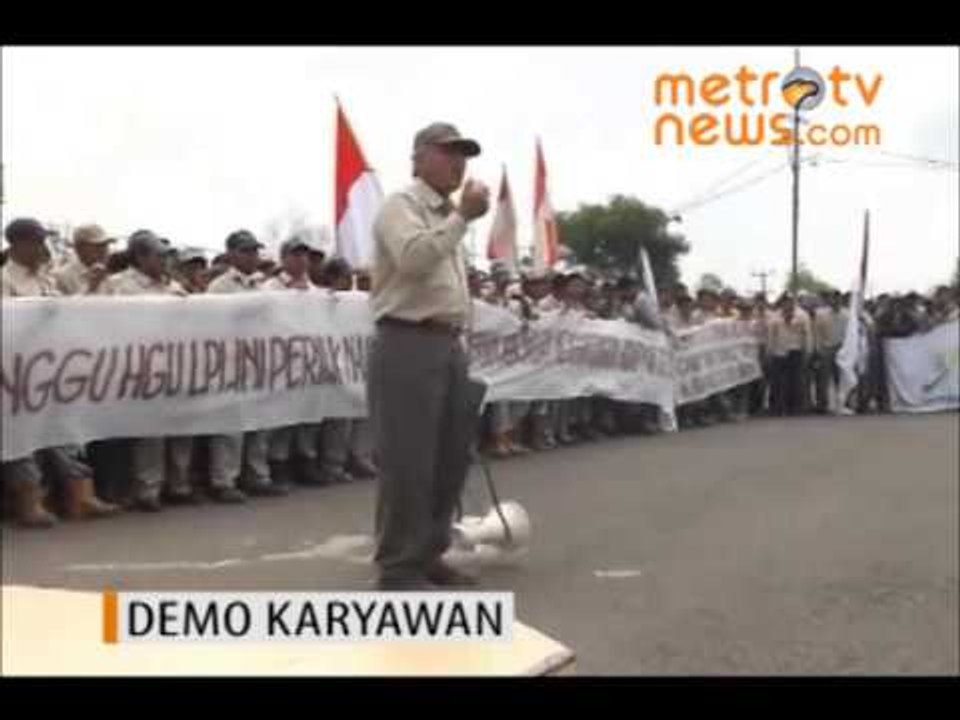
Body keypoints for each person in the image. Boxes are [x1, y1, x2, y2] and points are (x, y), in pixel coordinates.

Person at [368, 121, 489, 590]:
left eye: (464, 154)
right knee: (409, 461)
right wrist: (461, 219)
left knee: (447, 460)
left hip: (445, 344)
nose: (458, 162)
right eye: (447, 151)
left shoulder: (446, 215)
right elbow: (415, 260)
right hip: (407, 342)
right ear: (418, 157)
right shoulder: (404, 205)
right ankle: (398, 567)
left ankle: (428, 553)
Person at [1, 218, 120, 526]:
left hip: (51, 367)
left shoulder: (45, 279)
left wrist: (89, 289)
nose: (43, 248)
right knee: (21, 437)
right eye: (38, 242)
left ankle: (79, 495)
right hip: (16, 371)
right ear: (18, 245)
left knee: (62, 431)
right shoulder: (4, 280)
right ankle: (30, 502)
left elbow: (64, 313)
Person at [205, 230, 289, 500]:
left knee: (261, 423)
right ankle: (224, 480)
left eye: (255, 251)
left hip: (260, 361)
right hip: (229, 362)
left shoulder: (262, 286)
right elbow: (210, 326)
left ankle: (257, 476)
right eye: (245, 251)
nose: (252, 256)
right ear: (231, 254)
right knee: (231, 426)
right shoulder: (219, 287)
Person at [262, 236, 328, 487]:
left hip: (308, 361)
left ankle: (306, 461)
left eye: (304, 255)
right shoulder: (271, 288)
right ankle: (278, 463)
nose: (301, 260)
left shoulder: (313, 291)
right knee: (283, 417)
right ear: (284, 258)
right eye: (295, 255)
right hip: (280, 362)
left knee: (309, 416)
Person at [768, 294, 813, 417]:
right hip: (779, 351)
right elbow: (771, 336)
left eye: (790, 302)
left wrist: (808, 350)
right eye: (785, 303)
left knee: (796, 381)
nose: (787, 305)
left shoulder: (802, 315)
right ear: (782, 303)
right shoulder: (775, 316)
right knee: (779, 382)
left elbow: (807, 334)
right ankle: (778, 407)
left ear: (793, 303)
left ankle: (795, 407)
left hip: (796, 350)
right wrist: (770, 352)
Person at [52, 224, 115, 296]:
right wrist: (91, 287)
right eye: (97, 246)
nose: (103, 250)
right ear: (79, 248)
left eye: (105, 245)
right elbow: (67, 306)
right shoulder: (64, 276)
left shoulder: (115, 270)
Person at [812, 290, 849, 414]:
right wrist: (818, 349)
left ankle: (843, 404)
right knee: (823, 379)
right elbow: (816, 333)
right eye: (833, 299)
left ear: (841, 300)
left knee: (841, 379)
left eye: (838, 299)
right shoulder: (821, 314)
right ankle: (822, 405)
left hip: (842, 350)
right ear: (829, 300)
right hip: (826, 348)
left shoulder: (847, 314)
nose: (835, 301)